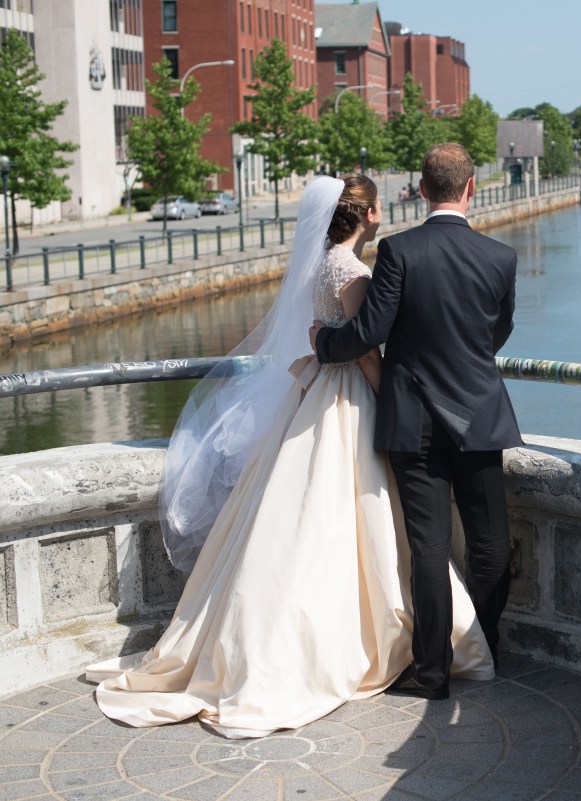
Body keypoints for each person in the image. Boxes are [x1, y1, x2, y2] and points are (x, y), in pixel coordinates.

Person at [85, 175, 494, 738]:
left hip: (319, 393)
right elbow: (365, 345)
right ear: (368, 214)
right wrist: (386, 394)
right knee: (353, 512)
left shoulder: (324, 261)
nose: (381, 217)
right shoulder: (350, 271)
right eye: (377, 210)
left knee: (308, 516)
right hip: (348, 397)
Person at [312, 143, 521, 701]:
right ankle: (488, 648)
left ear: (421, 190)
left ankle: (432, 673)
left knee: (427, 549)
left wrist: (321, 341)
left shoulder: (398, 251)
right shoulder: (501, 257)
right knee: (491, 545)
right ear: (471, 188)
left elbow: (367, 332)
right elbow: (497, 335)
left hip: (414, 420)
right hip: (479, 414)